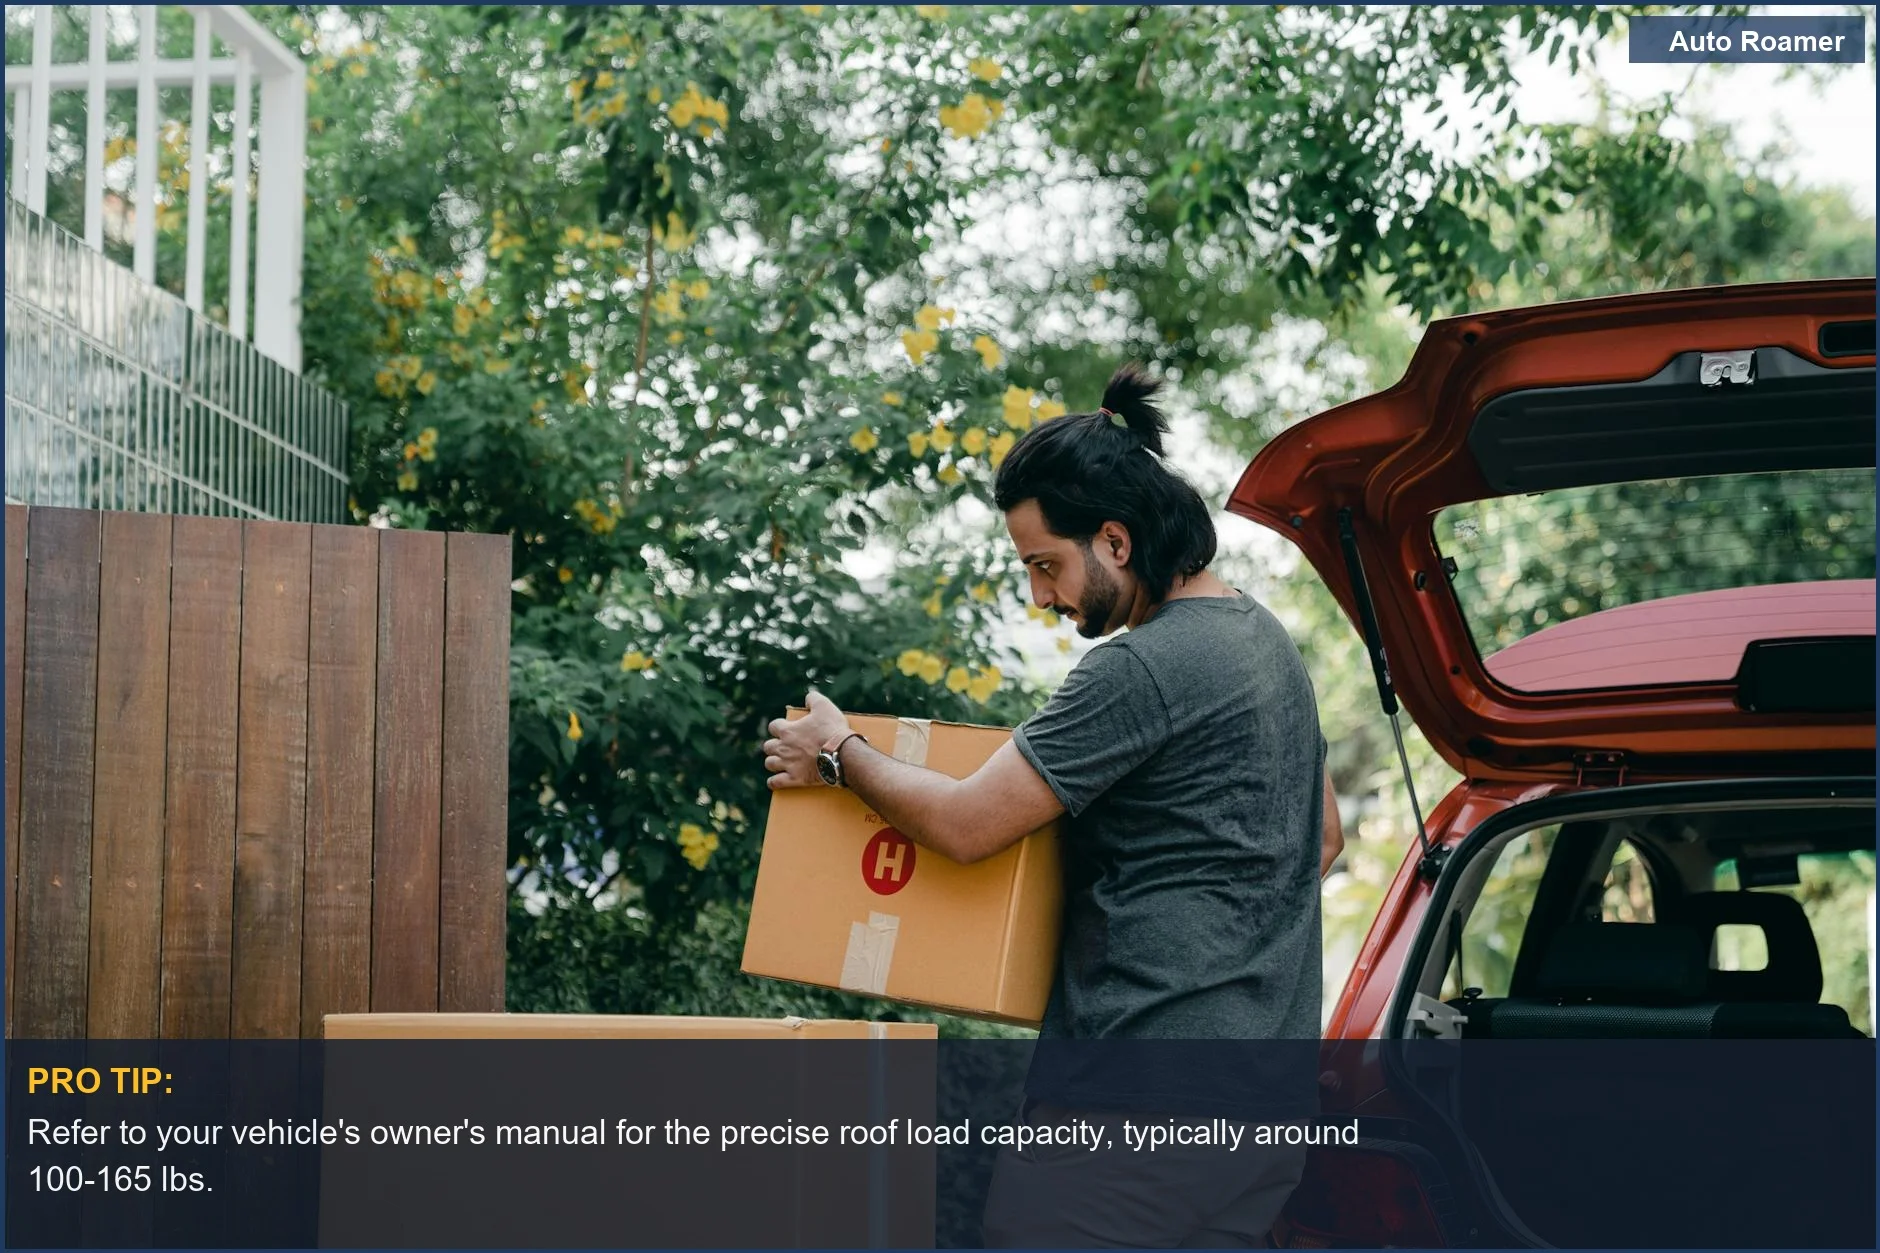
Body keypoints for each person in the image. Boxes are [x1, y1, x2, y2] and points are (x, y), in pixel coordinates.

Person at [763, 363, 1340, 1246]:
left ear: (1115, 539)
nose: (1040, 594)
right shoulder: (1267, 644)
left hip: (1134, 1108)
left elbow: (964, 824)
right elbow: (1324, 839)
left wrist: (838, 753)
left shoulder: (1141, 666)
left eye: (1046, 565)